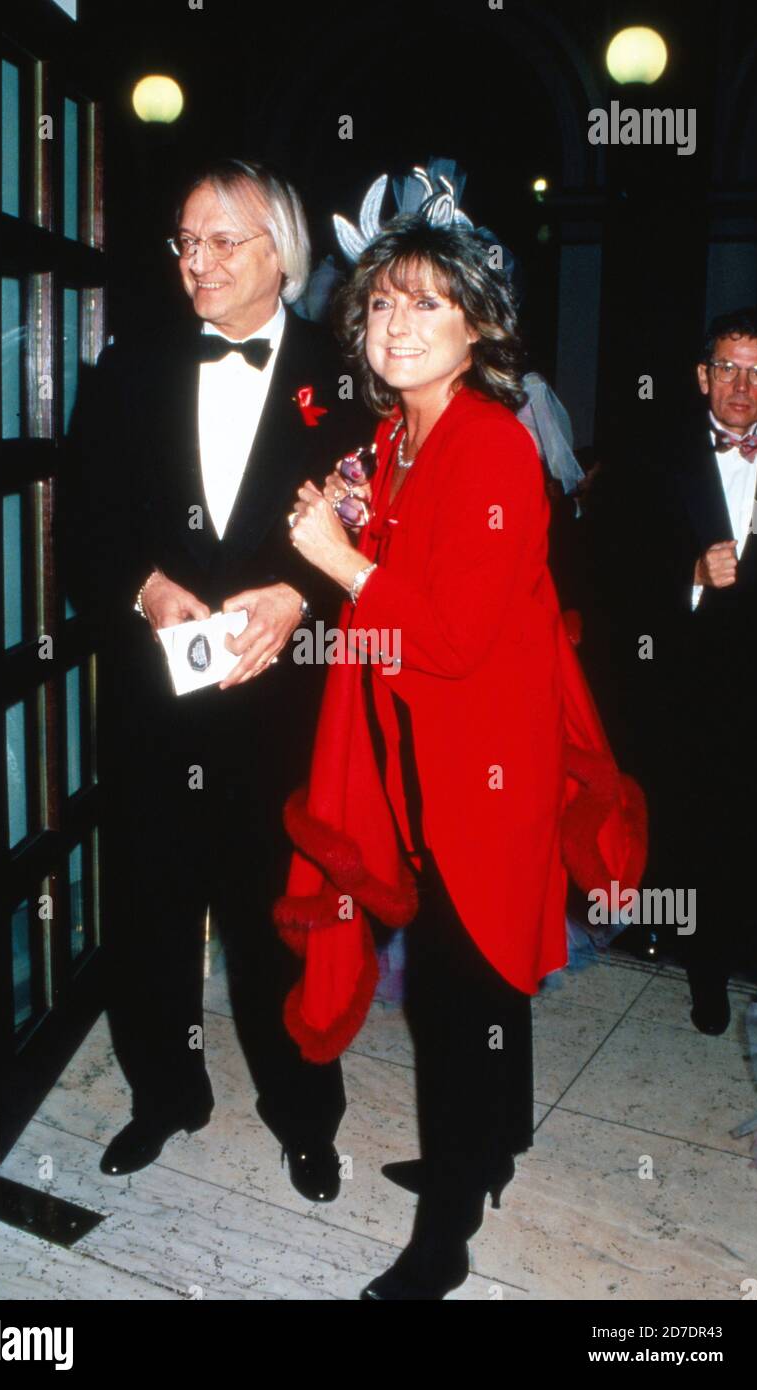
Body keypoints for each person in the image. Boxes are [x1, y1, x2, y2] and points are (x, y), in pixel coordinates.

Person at [279, 212, 644, 1299]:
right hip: (426, 754)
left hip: (484, 766)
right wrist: (349, 525)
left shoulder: (489, 440)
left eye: (429, 301)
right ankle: (487, 1151)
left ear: (479, 325)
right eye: (383, 300)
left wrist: (342, 560)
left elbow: (447, 634)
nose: (397, 321)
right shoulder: (400, 434)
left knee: (458, 985)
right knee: (476, 975)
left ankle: (443, 1233)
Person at [63, 158, 366, 1197]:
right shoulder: (129, 366)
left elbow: (379, 526)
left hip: (286, 712)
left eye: (220, 240)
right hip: (157, 705)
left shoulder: (349, 379)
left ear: (278, 251)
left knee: (281, 922)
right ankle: (165, 1095)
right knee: (148, 910)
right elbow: (85, 524)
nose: (195, 261)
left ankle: (303, 1114)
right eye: (185, 242)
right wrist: (147, 587)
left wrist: (298, 596)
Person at [624, 310, 757, 1033]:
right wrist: (687, 573)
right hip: (687, 688)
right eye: (728, 368)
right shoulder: (655, 455)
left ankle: (752, 951)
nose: (740, 385)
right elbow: (608, 569)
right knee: (698, 830)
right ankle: (705, 972)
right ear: (701, 376)